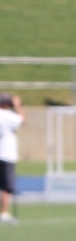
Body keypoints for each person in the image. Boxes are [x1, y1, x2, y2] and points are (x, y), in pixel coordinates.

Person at [0, 93, 22, 224]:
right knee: (7, 186)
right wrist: (18, 106)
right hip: (6, 154)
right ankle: (4, 213)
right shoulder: (9, 116)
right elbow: (22, 120)